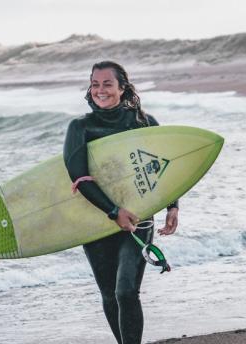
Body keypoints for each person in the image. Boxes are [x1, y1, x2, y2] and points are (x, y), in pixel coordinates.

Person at [63, 61, 178, 344]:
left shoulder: (145, 123)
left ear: (122, 87)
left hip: (139, 218)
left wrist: (173, 206)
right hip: (96, 219)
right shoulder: (80, 127)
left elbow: (164, 170)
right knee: (108, 295)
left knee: (126, 291)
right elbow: (79, 177)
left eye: (107, 84)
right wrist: (113, 211)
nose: (100, 90)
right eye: (95, 84)